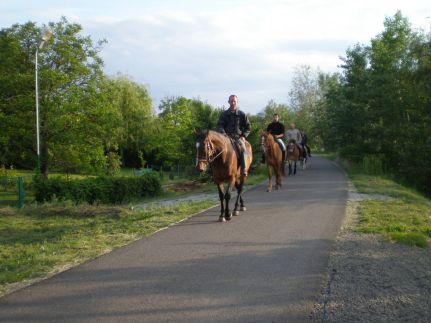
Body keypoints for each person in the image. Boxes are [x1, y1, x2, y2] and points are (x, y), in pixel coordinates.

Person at [216, 94, 251, 176]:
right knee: (216, 149)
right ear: (228, 102)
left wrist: (243, 136)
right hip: (226, 138)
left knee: (242, 148)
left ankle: (243, 169)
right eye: (231, 101)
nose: (233, 103)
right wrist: (223, 133)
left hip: (238, 138)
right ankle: (213, 172)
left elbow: (248, 127)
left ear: (237, 102)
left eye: (234, 101)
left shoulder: (242, 114)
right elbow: (219, 125)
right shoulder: (224, 114)